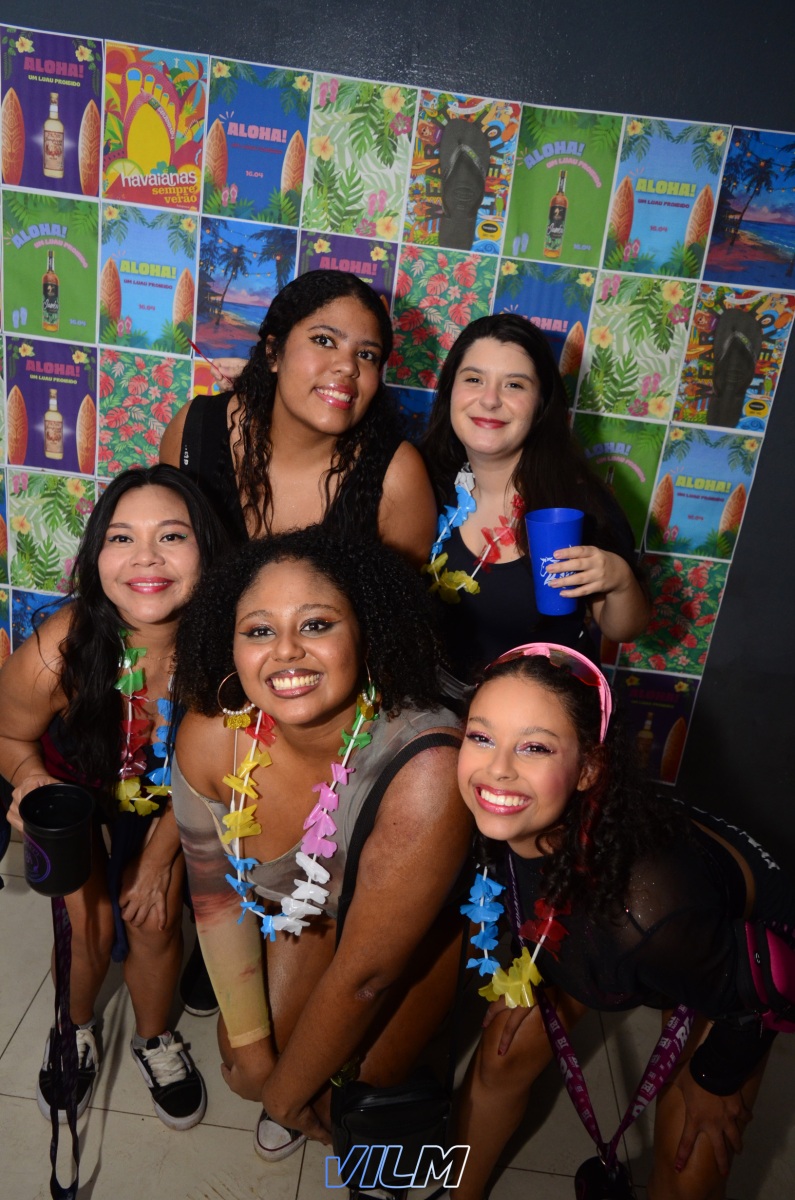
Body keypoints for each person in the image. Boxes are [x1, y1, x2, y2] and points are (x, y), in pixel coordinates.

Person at [170, 527, 471, 1161]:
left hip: (424, 932)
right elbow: (215, 898)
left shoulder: (427, 766)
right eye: (259, 630)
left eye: (316, 624)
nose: (285, 651)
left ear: (364, 633)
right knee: (245, 1057)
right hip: (314, 915)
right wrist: (254, 1050)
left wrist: (283, 1096)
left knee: (352, 1101)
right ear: (230, 646)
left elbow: (367, 976)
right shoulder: (210, 736)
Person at [454, 642, 793, 1200]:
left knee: (690, 1161)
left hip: (733, 958)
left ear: (587, 770)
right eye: (481, 737)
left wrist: (717, 1077)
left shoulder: (645, 912)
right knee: (502, 1055)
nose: (497, 769)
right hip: (615, 922)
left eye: (534, 747)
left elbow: (773, 982)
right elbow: (528, 891)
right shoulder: (492, 810)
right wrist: (527, 968)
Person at [0, 465, 226, 1130]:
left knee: (154, 918)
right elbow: (8, 733)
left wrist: (159, 860)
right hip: (76, 794)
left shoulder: (229, 650)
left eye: (172, 536)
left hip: (178, 800)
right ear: (96, 557)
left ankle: (154, 1039)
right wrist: (29, 779)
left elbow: (217, 773)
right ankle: (72, 1028)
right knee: (89, 925)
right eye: (121, 538)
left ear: (207, 550)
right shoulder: (60, 648)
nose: (146, 558)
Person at [420, 313, 650, 694]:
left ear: (541, 403)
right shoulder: (422, 481)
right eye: (474, 379)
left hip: (541, 711)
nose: (490, 399)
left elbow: (624, 628)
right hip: (436, 709)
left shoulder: (576, 503)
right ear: (449, 391)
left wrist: (619, 579)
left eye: (514, 385)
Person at [161, 269, 437, 566]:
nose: (348, 366)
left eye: (367, 355)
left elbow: (403, 595)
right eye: (324, 340)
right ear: (273, 352)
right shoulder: (196, 430)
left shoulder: (398, 477)